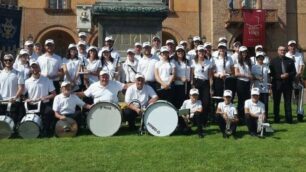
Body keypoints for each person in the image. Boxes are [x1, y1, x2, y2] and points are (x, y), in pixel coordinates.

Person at [24, 61, 56, 137]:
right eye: (33, 67)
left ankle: (46, 131)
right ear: (30, 69)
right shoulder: (27, 82)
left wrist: (44, 97)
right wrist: (26, 99)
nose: (34, 69)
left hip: (44, 103)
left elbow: (54, 94)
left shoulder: (46, 79)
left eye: (36, 67)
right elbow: (22, 96)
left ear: (39, 68)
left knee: (49, 112)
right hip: (32, 104)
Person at [270, 46, 296, 123]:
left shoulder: (290, 60)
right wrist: (279, 76)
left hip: (287, 84)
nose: (282, 51)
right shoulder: (273, 61)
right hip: (277, 84)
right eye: (281, 50)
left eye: (284, 50)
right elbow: (271, 73)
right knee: (276, 102)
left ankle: (289, 118)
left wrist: (288, 74)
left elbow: (294, 72)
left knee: (288, 102)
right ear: (278, 51)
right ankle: (276, 118)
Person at [191, 45, 213, 125]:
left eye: (203, 51)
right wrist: (192, 85)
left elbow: (210, 76)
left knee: (205, 102)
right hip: (196, 82)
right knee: (196, 101)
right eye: (199, 51)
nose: (201, 53)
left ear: (205, 52)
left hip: (205, 83)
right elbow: (192, 75)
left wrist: (211, 88)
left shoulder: (209, 62)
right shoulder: (194, 62)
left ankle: (204, 121)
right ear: (197, 52)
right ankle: (196, 120)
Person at [0, 54, 25, 124]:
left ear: (13, 61)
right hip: (2, 101)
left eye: (10, 60)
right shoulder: (0, 73)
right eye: (6, 60)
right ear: (3, 62)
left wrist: (15, 98)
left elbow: (21, 87)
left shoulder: (18, 73)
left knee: (12, 122)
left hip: (13, 101)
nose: (8, 62)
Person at [286, 40, 305, 121]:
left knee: (299, 96)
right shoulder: (286, 55)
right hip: (289, 79)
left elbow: (301, 66)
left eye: (294, 45)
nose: (292, 47)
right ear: (288, 47)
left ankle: (300, 112)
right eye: (291, 45)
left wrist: (298, 75)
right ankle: (289, 114)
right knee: (289, 97)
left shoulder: (299, 55)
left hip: (297, 78)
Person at [234, 46, 252, 121]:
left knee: (247, 100)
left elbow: (250, 72)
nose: (244, 53)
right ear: (240, 53)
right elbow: (236, 73)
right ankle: (240, 117)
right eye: (243, 52)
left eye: (245, 52)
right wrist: (246, 75)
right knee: (241, 100)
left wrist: (250, 77)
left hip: (247, 82)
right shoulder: (237, 61)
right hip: (240, 82)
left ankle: (246, 116)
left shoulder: (249, 61)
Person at [251, 52, 271, 119]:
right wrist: (257, 78)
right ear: (256, 58)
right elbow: (251, 77)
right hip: (257, 88)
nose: (260, 59)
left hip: (265, 88)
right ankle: (256, 117)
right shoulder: (253, 67)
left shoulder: (266, 66)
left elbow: (268, 77)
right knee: (257, 103)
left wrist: (269, 87)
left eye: (262, 57)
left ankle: (265, 118)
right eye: (259, 57)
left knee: (265, 104)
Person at [173, 45, 191, 109]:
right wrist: (180, 78)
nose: (180, 52)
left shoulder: (187, 61)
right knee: (179, 103)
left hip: (187, 85)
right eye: (178, 51)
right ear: (176, 52)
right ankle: (179, 118)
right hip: (178, 85)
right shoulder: (173, 61)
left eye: (182, 51)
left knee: (186, 102)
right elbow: (172, 75)